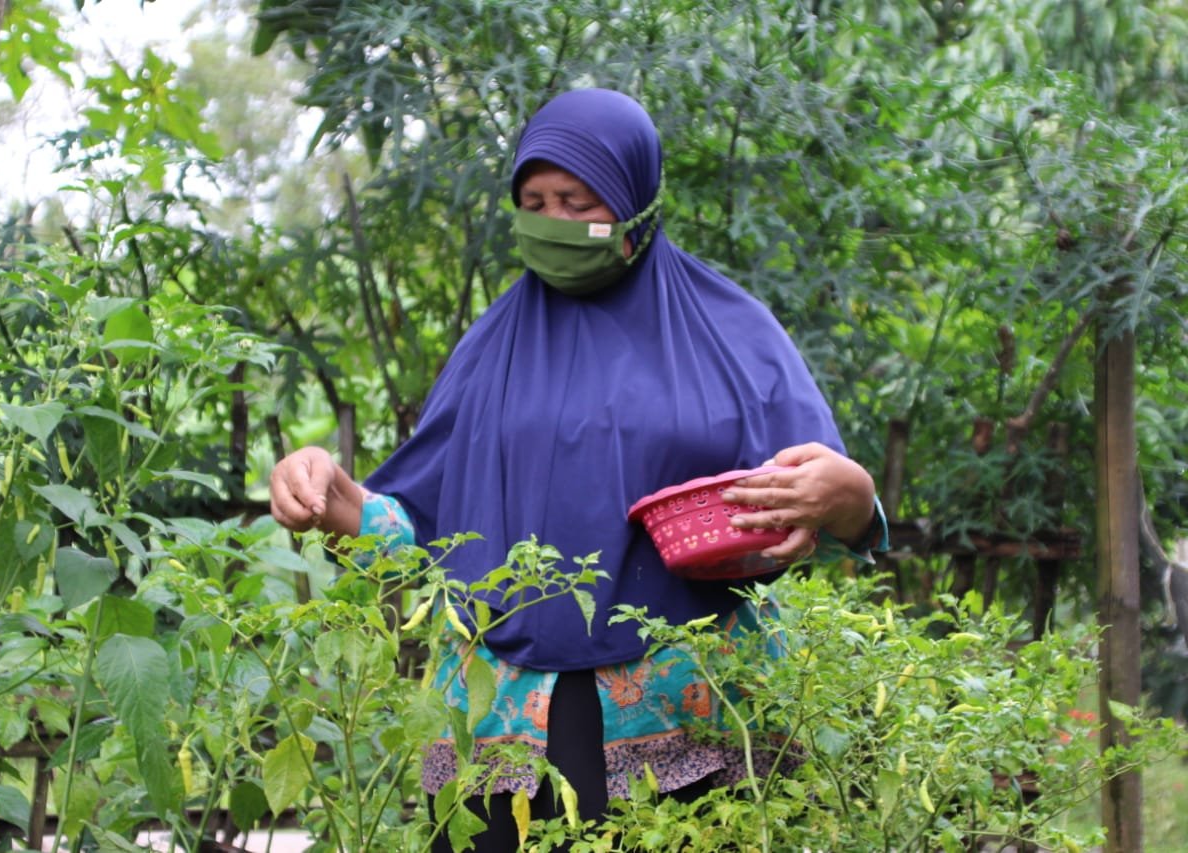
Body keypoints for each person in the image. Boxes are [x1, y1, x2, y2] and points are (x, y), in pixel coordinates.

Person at [270, 87, 887, 850]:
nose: (554, 223)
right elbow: (420, 530)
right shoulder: (491, 353)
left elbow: (820, 505)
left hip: (695, 707)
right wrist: (329, 493)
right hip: (504, 721)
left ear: (634, 204)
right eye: (534, 201)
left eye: (576, 200)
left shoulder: (729, 335)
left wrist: (852, 496)